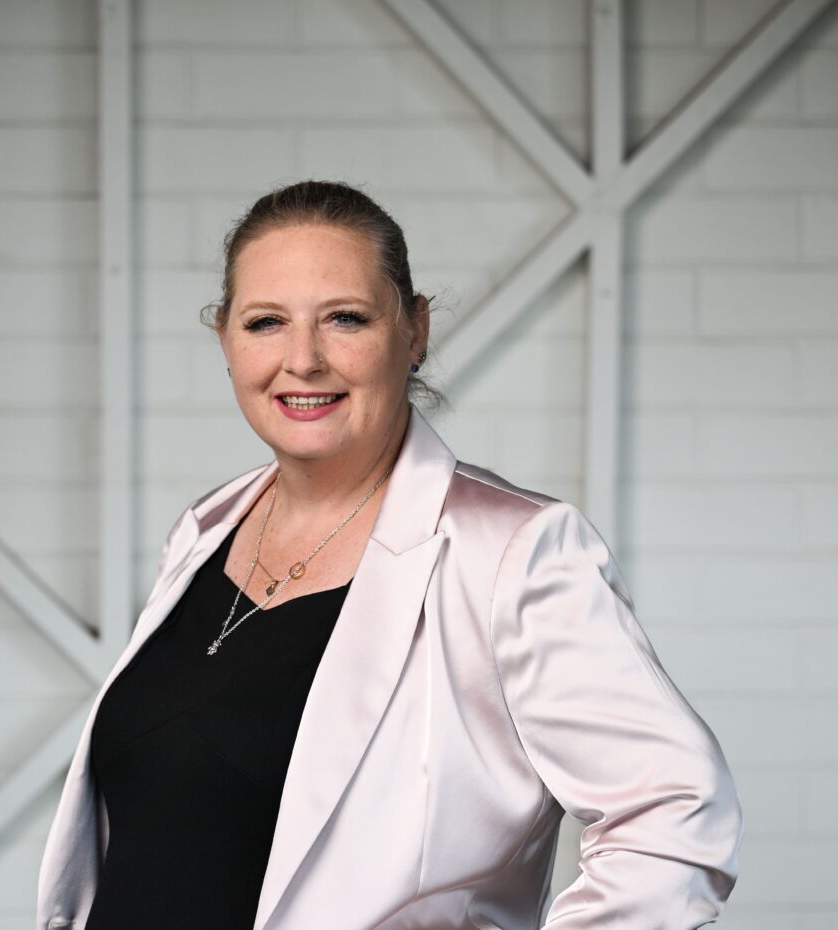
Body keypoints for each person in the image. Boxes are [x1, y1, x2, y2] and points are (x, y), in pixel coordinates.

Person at [36, 180, 742, 930]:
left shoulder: (512, 553)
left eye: (345, 318)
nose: (302, 360)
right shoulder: (206, 527)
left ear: (414, 332)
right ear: (226, 342)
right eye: (266, 322)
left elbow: (674, 814)